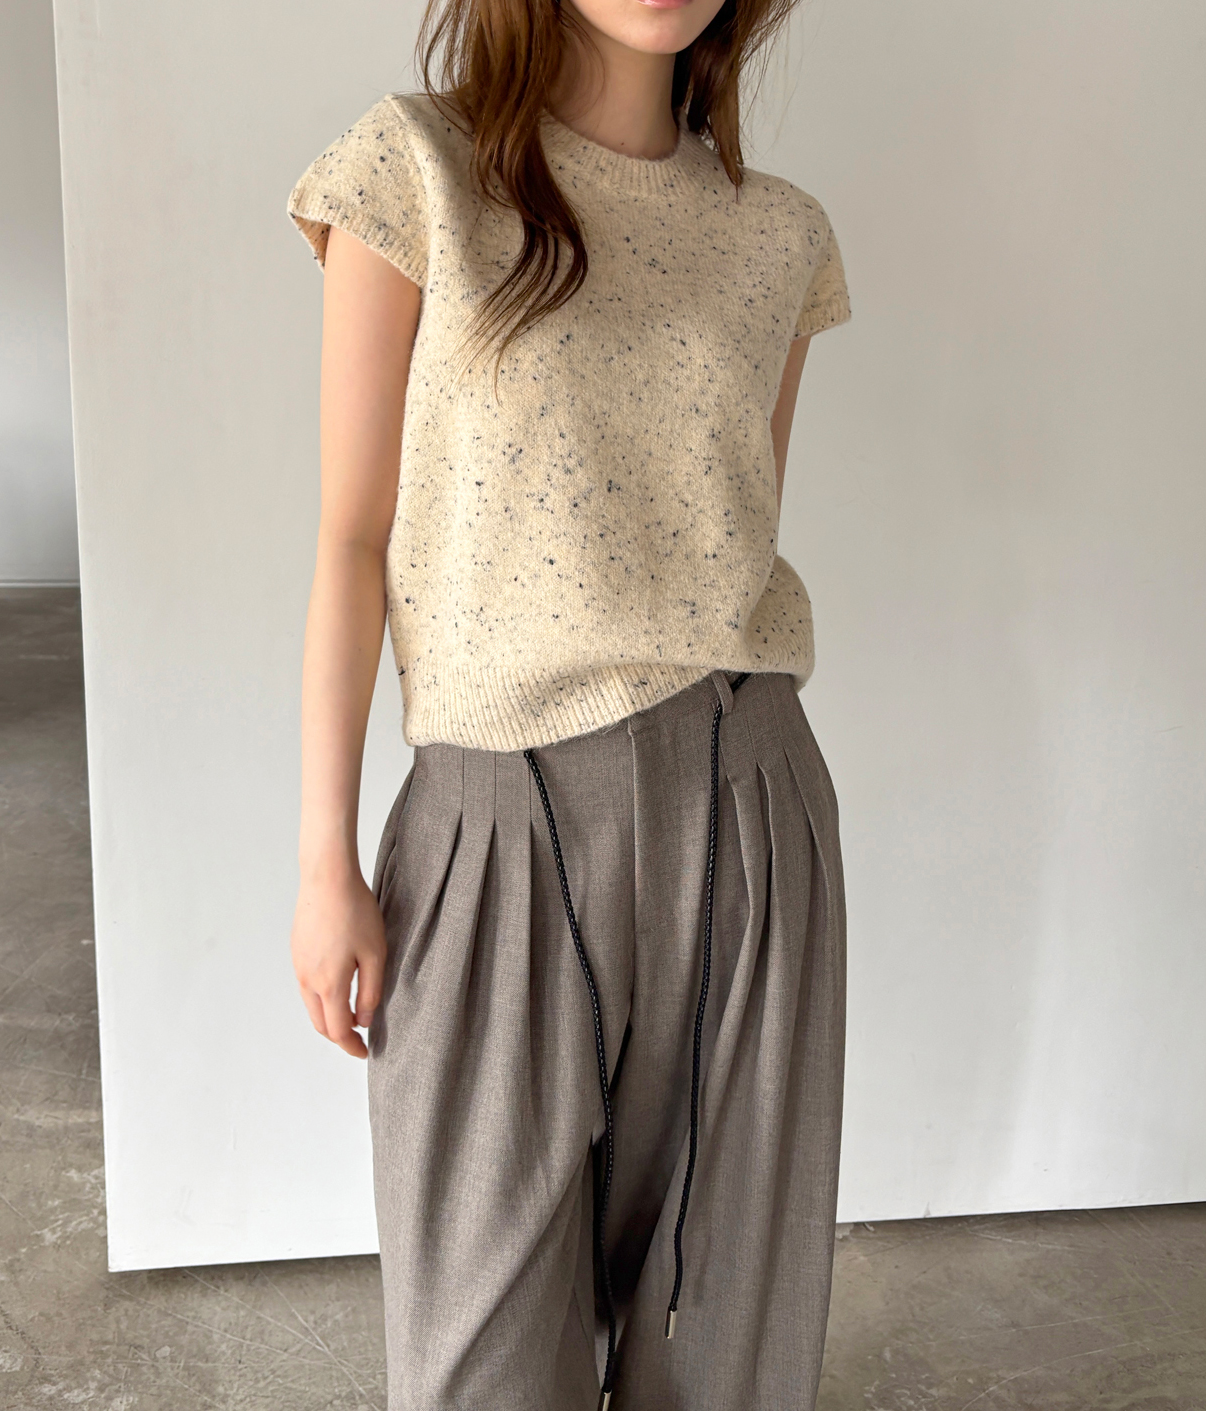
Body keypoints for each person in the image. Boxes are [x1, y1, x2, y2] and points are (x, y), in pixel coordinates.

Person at [286, 1, 850, 1405]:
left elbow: (730, 541)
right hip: (496, 822)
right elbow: (351, 540)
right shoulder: (416, 171)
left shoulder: (777, 235)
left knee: (723, 1346)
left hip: (745, 804)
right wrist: (323, 858)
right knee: (477, 1361)